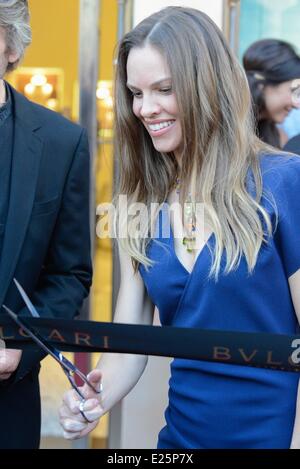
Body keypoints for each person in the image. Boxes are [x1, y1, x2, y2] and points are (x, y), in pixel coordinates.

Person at [59, 7, 300, 449]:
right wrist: (94, 399)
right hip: (181, 441)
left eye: (164, 90)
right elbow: (128, 345)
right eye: (135, 93)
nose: (145, 109)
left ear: (207, 84)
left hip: (272, 437)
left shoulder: (285, 182)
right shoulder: (145, 201)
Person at [0, 0, 92, 449]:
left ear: (11, 46)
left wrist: (20, 349)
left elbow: (69, 273)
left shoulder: (61, 142)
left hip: (6, 397)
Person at [243, 38, 300, 148]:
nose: (297, 105)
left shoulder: (279, 137)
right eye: (293, 91)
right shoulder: (220, 129)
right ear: (261, 85)